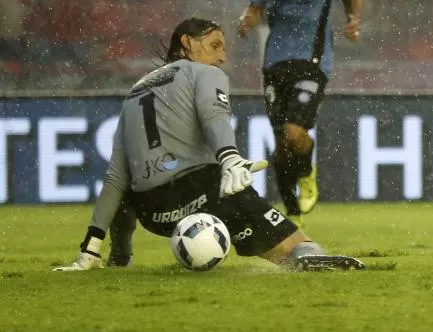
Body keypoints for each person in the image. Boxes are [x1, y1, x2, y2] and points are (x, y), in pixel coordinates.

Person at [52, 18, 363, 272]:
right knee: (252, 209)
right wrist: (230, 159)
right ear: (187, 44)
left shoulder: (135, 92)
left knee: (129, 189)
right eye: (215, 45)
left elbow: (116, 177)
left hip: (156, 215)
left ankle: (119, 259)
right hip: (201, 192)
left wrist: (90, 246)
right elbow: (214, 116)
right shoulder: (201, 72)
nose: (222, 57)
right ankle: (303, 253)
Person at [238, 0, 363, 227]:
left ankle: (307, 174)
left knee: (295, 134)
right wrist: (247, 20)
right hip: (275, 60)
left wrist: (353, 20)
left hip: (313, 60)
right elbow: (255, 7)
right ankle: (291, 210)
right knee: (281, 141)